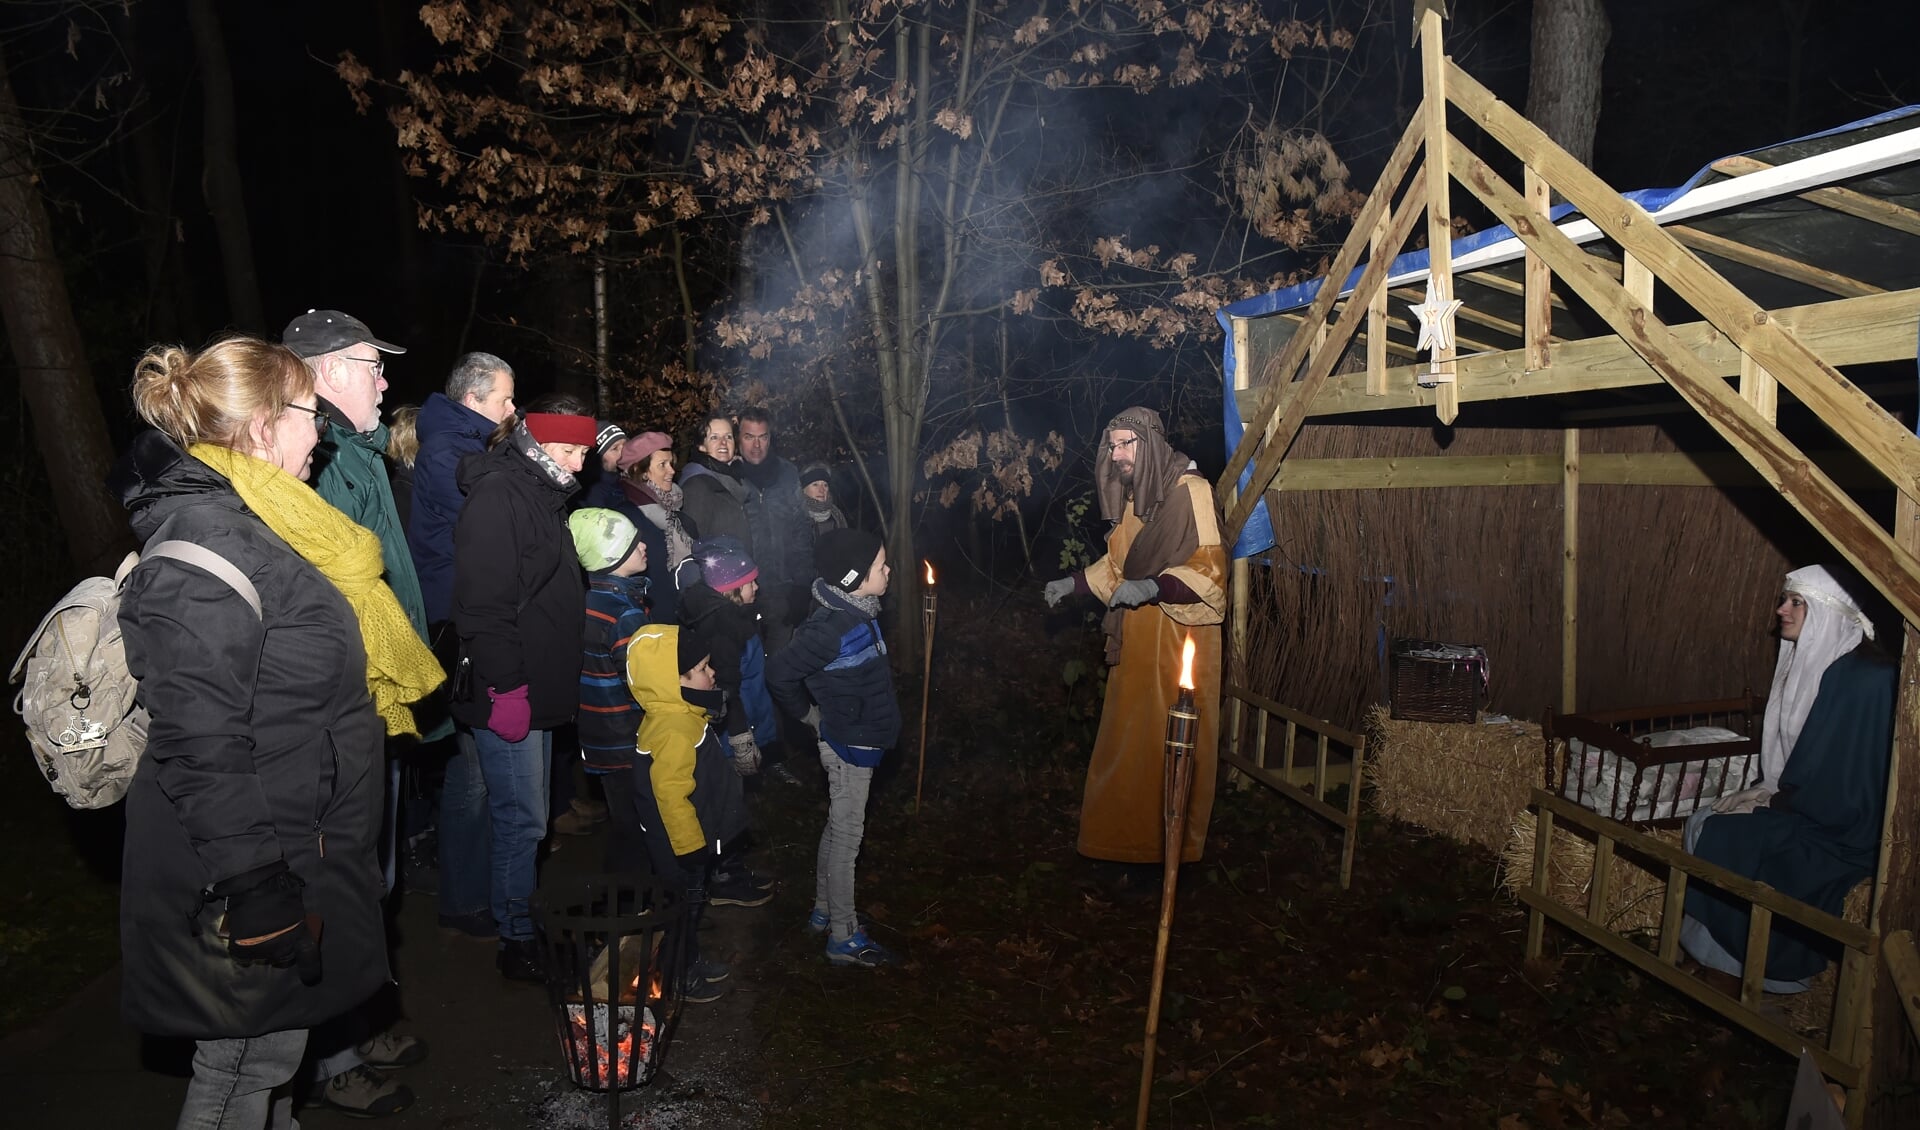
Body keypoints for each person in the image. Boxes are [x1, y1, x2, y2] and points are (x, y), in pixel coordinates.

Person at [113, 337, 441, 1127]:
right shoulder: (206, 546)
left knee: (270, 1063)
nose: (321, 433)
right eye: (306, 413)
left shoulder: (267, 523)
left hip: (295, 839)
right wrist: (257, 887)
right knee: (240, 1068)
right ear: (261, 426)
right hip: (243, 870)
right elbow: (201, 744)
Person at [283, 309, 436, 1113]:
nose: (385, 380)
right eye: (373, 366)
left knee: (376, 879)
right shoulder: (326, 456)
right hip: (350, 706)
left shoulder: (359, 451)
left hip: (380, 701)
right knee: (345, 884)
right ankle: (335, 1057)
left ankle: (362, 1018)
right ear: (328, 371)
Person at [1679, 566, 1894, 991]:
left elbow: (1854, 784)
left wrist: (1775, 802)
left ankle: (1751, 975)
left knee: (1720, 832)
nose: (1781, 610)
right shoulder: (1820, 665)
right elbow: (1801, 763)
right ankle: (1714, 957)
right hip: (1807, 805)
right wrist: (1769, 790)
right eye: (1786, 599)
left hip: (1842, 828)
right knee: (1704, 821)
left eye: (1796, 602)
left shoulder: (1867, 681)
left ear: (1827, 614)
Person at [1042, 407, 1225, 866]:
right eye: (1113, 445)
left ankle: (1169, 854)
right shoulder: (1137, 498)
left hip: (1180, 639)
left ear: (1152, 444)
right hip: (1137, 638)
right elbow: (1120, 566)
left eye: (1127, 444)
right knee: (1127, 743)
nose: (1118, 454)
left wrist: (1155, 585)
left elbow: (1211, 568)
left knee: (1171, 742)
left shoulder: (1193, 492)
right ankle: (1122, 848)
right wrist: (1075, 584)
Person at [448, 409, 595, 980]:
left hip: (530, 687)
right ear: (535, 443)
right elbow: (483, 607)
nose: (577, 464)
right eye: (567, 451)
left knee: (519, 817)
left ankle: (516, 920)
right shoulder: (499, 497)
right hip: (508, 691)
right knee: (522, 821)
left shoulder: (542, 493)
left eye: (582, 454)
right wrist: (507, 689)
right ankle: (517, 939)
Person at [407, 353, 517, 937]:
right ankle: (464, 898)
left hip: (471, 620)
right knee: (473, 772)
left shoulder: (472, 442)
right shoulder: (450, 453)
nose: (512, 409)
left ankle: (481, 891)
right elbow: (495, 525)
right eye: (504, 399)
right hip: (458, 625)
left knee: (479, 767)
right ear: (474, 399)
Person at [768, 528, 903, 968]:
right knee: (848, 837)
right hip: (849, 745)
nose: (888, 570)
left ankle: (824, 909)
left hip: (860, 736)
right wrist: (809, 716)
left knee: (837, 825)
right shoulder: (830, 628)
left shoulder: (857, 609)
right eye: (881, 565)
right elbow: (780, 674)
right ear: (855, 577)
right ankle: (843, 935)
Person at [626, 624, 746, 1002]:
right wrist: (692, 847)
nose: (712, 673)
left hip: (685, 841)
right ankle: (678, 977)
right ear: (674, 679)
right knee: (682, 911)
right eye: (703, 667)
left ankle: (687, 962)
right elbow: (672, 794)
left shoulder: (679, 712)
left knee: (687, 907)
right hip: (680, 847)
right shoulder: (675, 727)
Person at [676, 537, 780, 907]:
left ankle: (728, 867)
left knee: (730, 803)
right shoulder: (723, 630)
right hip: (726, 735)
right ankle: (721, 878)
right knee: (723, 804)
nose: (757, 587)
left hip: (739, 722)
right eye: (751, 582)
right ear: (733, 590)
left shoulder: (733, 618)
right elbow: (726, 689)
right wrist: (740, 736)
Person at [570, 508, 660, 876]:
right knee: (638, 829)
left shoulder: (588, 601)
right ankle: (631, 911)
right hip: (629, 738)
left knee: (624, 822)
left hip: (599, 736)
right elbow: (643, 685)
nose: (643, 545)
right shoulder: (625, 615)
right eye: (630, 542)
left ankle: (624, 906)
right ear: (610, 556)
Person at [735, 406, 817, 650]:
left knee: (781, 667)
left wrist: (803, 586)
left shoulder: (787, 473)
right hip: (741, 592)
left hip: (783, 590)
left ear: (770, 438)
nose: (756, 445)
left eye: (763, 437)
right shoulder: (729, 478)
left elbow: (802, 531)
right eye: (749, 437)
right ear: (739, 437)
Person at [612, 430, 691, 624]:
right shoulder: (629, 516)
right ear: (640, 469)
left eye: (670, 463)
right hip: (656, 619)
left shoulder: (672, 506)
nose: (672, 471)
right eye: (662, 465)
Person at [678, 412, 752, 546]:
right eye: (714, 438)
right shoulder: (696, 485)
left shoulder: (738, 477)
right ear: (701, 446)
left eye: (728, 437)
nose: (723, 442)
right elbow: (692, 543)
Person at [580, 420, 628, 509]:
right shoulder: (594, 495)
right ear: (598, 457)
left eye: (625, 445)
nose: (624, 452)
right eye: (615, 448)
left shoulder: (626, 481)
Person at [800, 462, 847, 541]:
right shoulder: (794, 516)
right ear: (804, 490)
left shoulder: (836, 514)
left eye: (825, 485)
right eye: (815, 484)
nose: (822, 490)